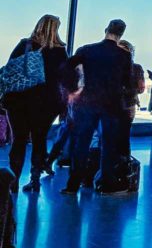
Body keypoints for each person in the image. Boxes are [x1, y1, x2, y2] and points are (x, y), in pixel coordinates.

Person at [62, 19, 134, 195]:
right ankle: (107, 184)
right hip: (112, 105)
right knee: (109, 146)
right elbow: (129, 84)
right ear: (121, 34)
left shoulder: (86, 50)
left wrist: (73, 90)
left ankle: (73, 184)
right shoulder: (124, 56)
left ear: (106, 29)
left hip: (87, 103)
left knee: (81, 144)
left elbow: (66, 68)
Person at [5, 15, 69, 193]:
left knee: (18, 140)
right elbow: (64, 80)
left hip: (19, 101)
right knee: (39, 140)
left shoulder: (25, 45)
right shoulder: (60, 52)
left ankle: (14, 181)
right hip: (46, 105)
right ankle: (34, 181)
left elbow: (10, 69)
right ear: (56, 29)